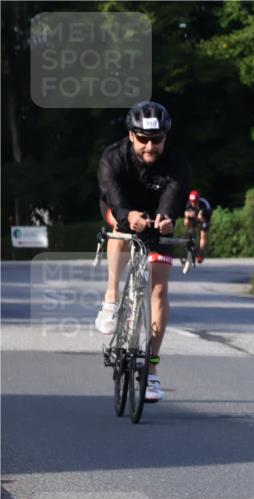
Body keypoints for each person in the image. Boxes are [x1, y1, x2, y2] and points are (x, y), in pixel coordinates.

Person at [95, 101, 190, 403]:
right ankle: (111, 297)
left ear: (166, 137)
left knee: (159, 291)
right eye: (143, 139)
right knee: (121, 230)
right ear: (131, 135)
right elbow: (114, 198)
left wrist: (165, 218)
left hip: (157, 220)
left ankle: (150, 371)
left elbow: (173, 198)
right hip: (121, 209)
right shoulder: (113, 157)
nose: (150, 146)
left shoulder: (176, 162)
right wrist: (128, 216)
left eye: (157, 139)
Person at [184, 190, 212, 263]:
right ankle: (190, 233)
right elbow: (186, 212)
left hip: (205, 218)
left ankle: (200, 253)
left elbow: (205, 215)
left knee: (203, 235)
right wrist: (188, 215)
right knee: (186, 220)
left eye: (195, 201)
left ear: (198, 200)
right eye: (192, 201)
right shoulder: (189, 204)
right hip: (195, 217)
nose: (193, 203)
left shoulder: (204, 204)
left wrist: (200, 216)